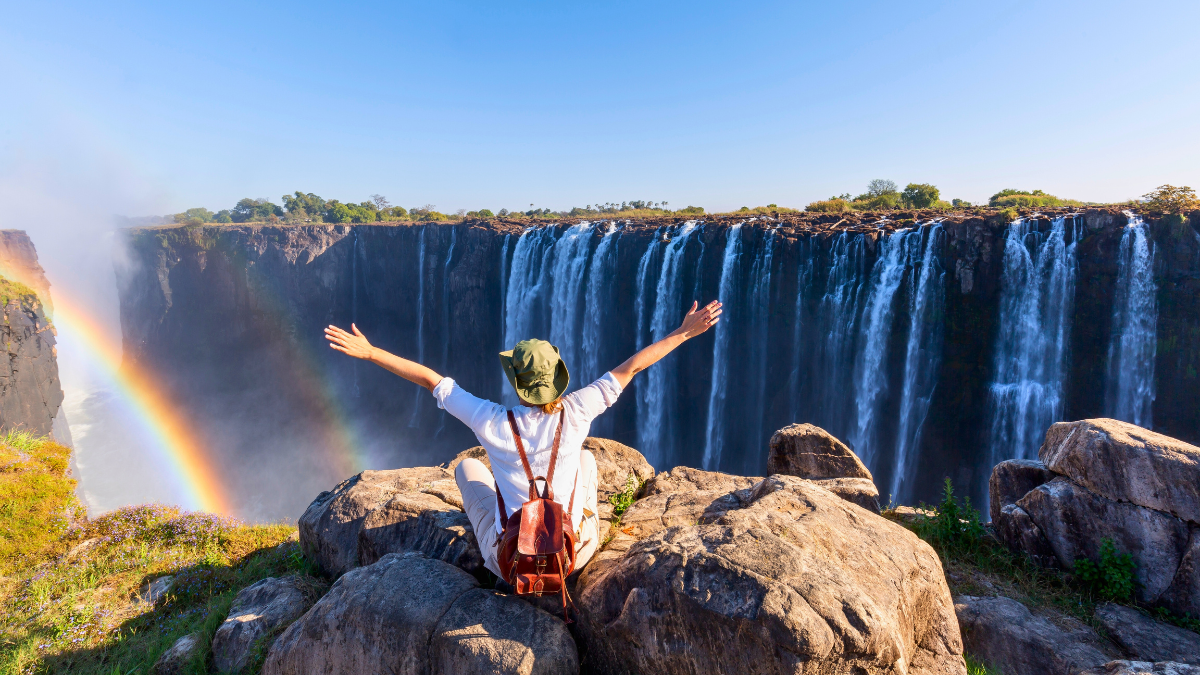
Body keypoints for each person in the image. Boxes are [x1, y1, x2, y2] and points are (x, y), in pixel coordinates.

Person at [324, 299, 722, 577]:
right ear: (558, 379)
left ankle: (502, 549)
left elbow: (432, 380)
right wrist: (683, 333)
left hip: (511, 564)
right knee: (586, 460)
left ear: (517, 384)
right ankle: (580, 535)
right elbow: (630, 368)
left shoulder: (491, 420)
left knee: (467, 467)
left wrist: (371, 352)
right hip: (572, 559)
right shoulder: (579, 409)